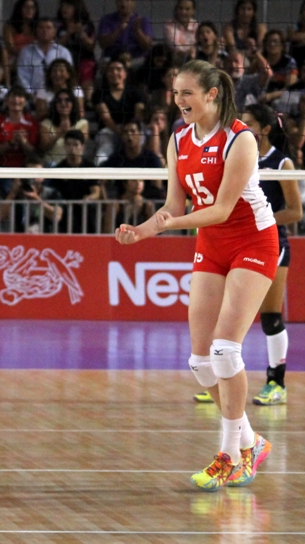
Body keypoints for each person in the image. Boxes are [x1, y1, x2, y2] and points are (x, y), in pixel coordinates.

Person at [115, 59, 274, 491]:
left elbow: (222, 209)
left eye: (187, 92)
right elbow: (173, 205)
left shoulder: (240, 139)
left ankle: (229, 455)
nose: (178, 100)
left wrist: (166, 225)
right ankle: (252, 440)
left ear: (211, 95)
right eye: (175, 92)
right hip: (213, 243)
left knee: (225, 350)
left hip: (252, 240)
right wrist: (143, 231)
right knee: (200, 361)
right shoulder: (179, 139)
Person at [194, 103, 302, 406]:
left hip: (269, 243)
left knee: (270, 316)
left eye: (251, 123)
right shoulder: (232, 153)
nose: (243, 127)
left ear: (265, 129)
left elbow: (294, 211)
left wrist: (257, 219)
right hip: (229, 242)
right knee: (219, 316)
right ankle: (217, 380)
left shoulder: (282, 164)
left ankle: (275, 382)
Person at [50, 129, 103, 233]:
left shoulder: (90, 168)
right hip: (65, 212)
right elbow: (54, 194)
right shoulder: (58, 169)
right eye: (69, 144)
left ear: (82, 147)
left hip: (84, 210)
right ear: (64, 146)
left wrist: (89, 198)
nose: (72, 148)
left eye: (75, 145)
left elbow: (96, 192)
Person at [16, 17, 73, 98]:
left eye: (48, 28)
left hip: (58, 96)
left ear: (54, 31)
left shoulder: (63, 52)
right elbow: (22, 76)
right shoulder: (26, 52)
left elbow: (69, 75)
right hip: (31, 97)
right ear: (36, 30)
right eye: (41, 27)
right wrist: (30, 94)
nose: (44, 31)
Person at [55, 0, 96, 93]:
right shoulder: (58, 25)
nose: (64, 9)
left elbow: (91, 46)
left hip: (84, 58)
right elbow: (55, 47)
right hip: (65, 60)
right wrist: (68, 33)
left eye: (68, 6)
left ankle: (88, 101)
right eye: (62, 6)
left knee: (86, 69)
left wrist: (81, 33)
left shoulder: (87, 24)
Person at [39, 89, 88, 165]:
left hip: (74, 163)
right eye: (59, 101)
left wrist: (68, 132)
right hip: (52, 164)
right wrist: (59, 134)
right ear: (55, 104)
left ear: (73, 104)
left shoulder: (82, 123)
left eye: (67, 100)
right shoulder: (46, 124)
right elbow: (43, 149)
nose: (63, 104)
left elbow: (82, 146)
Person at [97, 0, 153, 66]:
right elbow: (103, 44)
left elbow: (147, 46)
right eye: (120, 0)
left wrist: (138, 31)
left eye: (127, 0)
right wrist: (119, 30)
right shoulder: (106, 19)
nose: (123, 3)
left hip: (136, 59)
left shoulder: (143, 20)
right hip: (111, 58)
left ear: (134, 2)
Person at [2, 0, 38, 68]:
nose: (29, 10)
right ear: (19, 9)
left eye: (32, 8)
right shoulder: (9, 26)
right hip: (15, 61)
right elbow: (10, 48)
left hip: (34, 60)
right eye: (26, 7)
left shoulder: (38, 26)